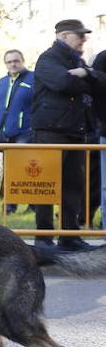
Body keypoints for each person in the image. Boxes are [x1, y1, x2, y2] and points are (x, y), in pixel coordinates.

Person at [31, 19, 103, 250]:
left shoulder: (78, 62)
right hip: (50, 132)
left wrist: (84, 72)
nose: (83, 39)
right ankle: (44, 238)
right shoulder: (48, 58)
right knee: (46, 187)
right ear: (63, 37)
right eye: (79, 35)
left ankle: (69, 236)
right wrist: (85, 78)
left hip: (74, 131)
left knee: (73, 186)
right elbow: (63, 82)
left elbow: (99, 83)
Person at [0, 50, 34, 214]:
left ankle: (32, 204)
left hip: (25, 132)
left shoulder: (33, 79)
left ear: (22, 60)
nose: (13, 64)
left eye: (16, 61)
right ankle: (10, 205)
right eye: (9, 62)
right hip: (3, 133)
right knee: (9, 170)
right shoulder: (2, 82)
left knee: (24, 169)